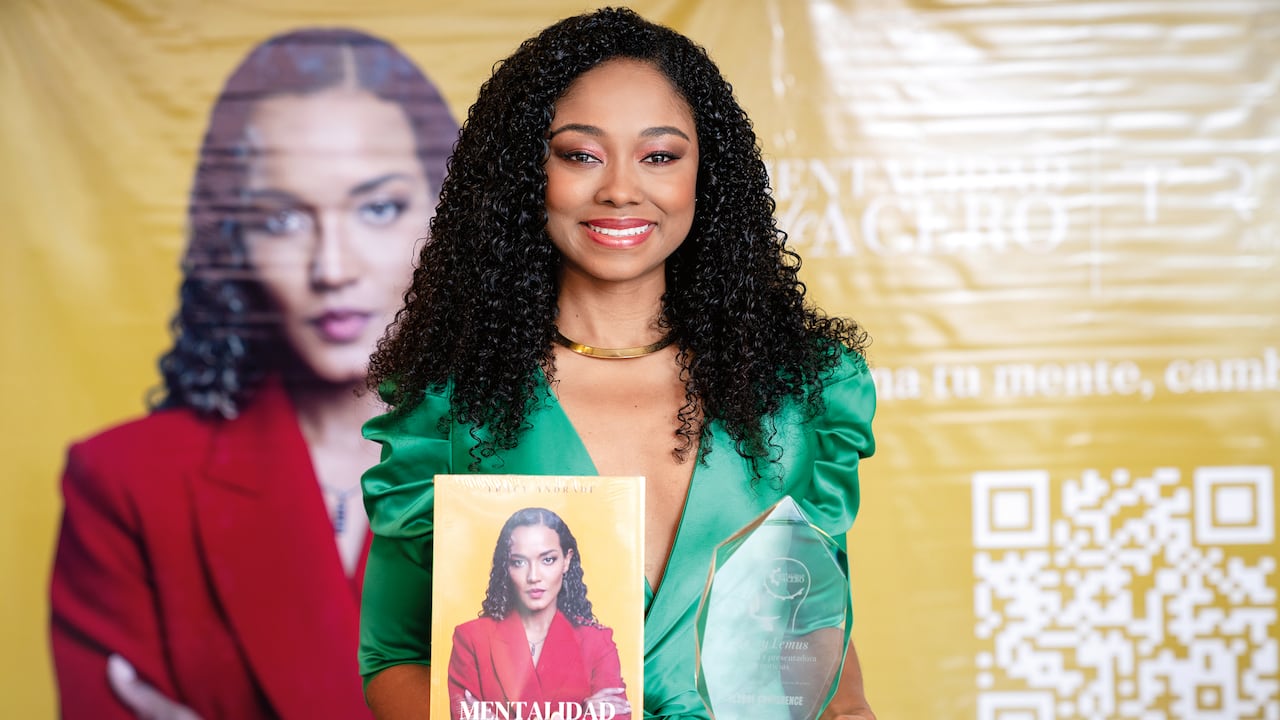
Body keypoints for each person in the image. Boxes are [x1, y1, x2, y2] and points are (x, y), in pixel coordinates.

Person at [359, 7, 877, 720]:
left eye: (660, 156)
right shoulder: (455, 408)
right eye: (580, 155)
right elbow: (396, 659)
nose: (621, 189)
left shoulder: (798, 393)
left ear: (708, 174)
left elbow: (818, 649)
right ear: (523, 173)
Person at [48, 28, 458, 719]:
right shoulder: (126, 484)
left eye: (378, 207)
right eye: (282, 220)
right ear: (234, 240)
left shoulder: (552, 458)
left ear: (450, 221)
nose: (332, 267)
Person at [447, 508, 630, 720]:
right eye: (519, 562)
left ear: (566, 560)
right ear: (506, 567)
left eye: (548, 560)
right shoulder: (471, 638)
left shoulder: (598, 642)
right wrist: (584, 715)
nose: (533, 576)